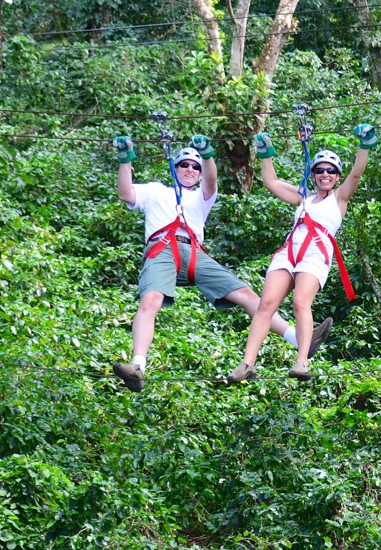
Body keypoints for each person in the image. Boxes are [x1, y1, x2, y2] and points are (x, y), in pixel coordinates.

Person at [110, 132, 332, 392]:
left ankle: (296, 338)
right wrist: (125, 159)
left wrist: (207, 155)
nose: (190, 169)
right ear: (175, 168)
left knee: (249, 296)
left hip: (194, 252)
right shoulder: (156, 191)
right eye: (184, 164)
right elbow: (126, 194)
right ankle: (138, 366)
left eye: (195, 166)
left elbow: (212, 180)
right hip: (163, 249)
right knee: (151, 300)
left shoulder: (202, 195)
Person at [226, 123, 377, 383]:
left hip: (316, 253)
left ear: (336, 176)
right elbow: (270, 182)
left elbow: (356, 176)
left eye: (330, 171)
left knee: (300, 302)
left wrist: (364, 146)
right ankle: (247, 363)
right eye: (319, 170)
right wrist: (265, 154)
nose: (324, 174)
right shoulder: (303, 197)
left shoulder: (339, 199)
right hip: (290, 251)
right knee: (265, 305)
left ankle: (302, 361)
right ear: (313, 174)